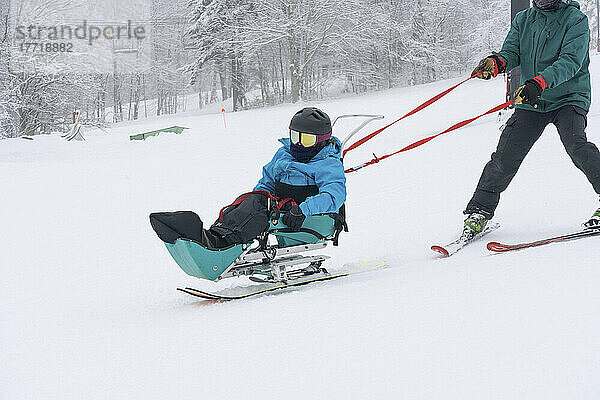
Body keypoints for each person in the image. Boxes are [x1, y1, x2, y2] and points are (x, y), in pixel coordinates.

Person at [464, 0, 600, 240]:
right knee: (505, 155)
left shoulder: (575, 20)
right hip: (533, 98)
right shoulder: (524, 19)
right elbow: (512, 52)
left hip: (569, 95)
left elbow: (570, 61)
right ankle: (479, 211)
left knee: (577, 146)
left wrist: (539, 82)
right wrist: (497, 63)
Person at [150, 107, 346, 249]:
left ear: (321, 141)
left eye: (307, 140)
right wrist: (260, 196)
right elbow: (267, 181)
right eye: (295, 137)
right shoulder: (284, 154)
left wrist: (303, 209)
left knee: (258, 210)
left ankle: (222, 246)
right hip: (282, 208)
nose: (299, 144)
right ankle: (214, 235)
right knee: (251, 200)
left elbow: (334, 195)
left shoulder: (328, 164)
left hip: (307, 217)